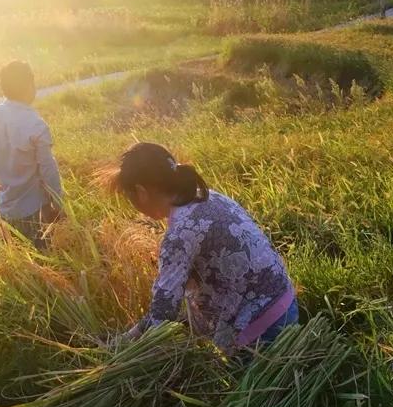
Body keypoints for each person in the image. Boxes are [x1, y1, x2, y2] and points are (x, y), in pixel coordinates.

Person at [104, 142, 298, 351]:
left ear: (141, 192)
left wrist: (120, 344)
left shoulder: (181, 232)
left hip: (261, 333)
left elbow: (162, 315)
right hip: (285, 306)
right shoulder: (208, 197)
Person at [0, 60, 63, 251]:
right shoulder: (36, 125)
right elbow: (48, 170)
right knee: (44, 262)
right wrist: (57, 204)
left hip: (6, 210)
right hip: (36, 211)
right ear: (29, 85)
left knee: (16, 262)